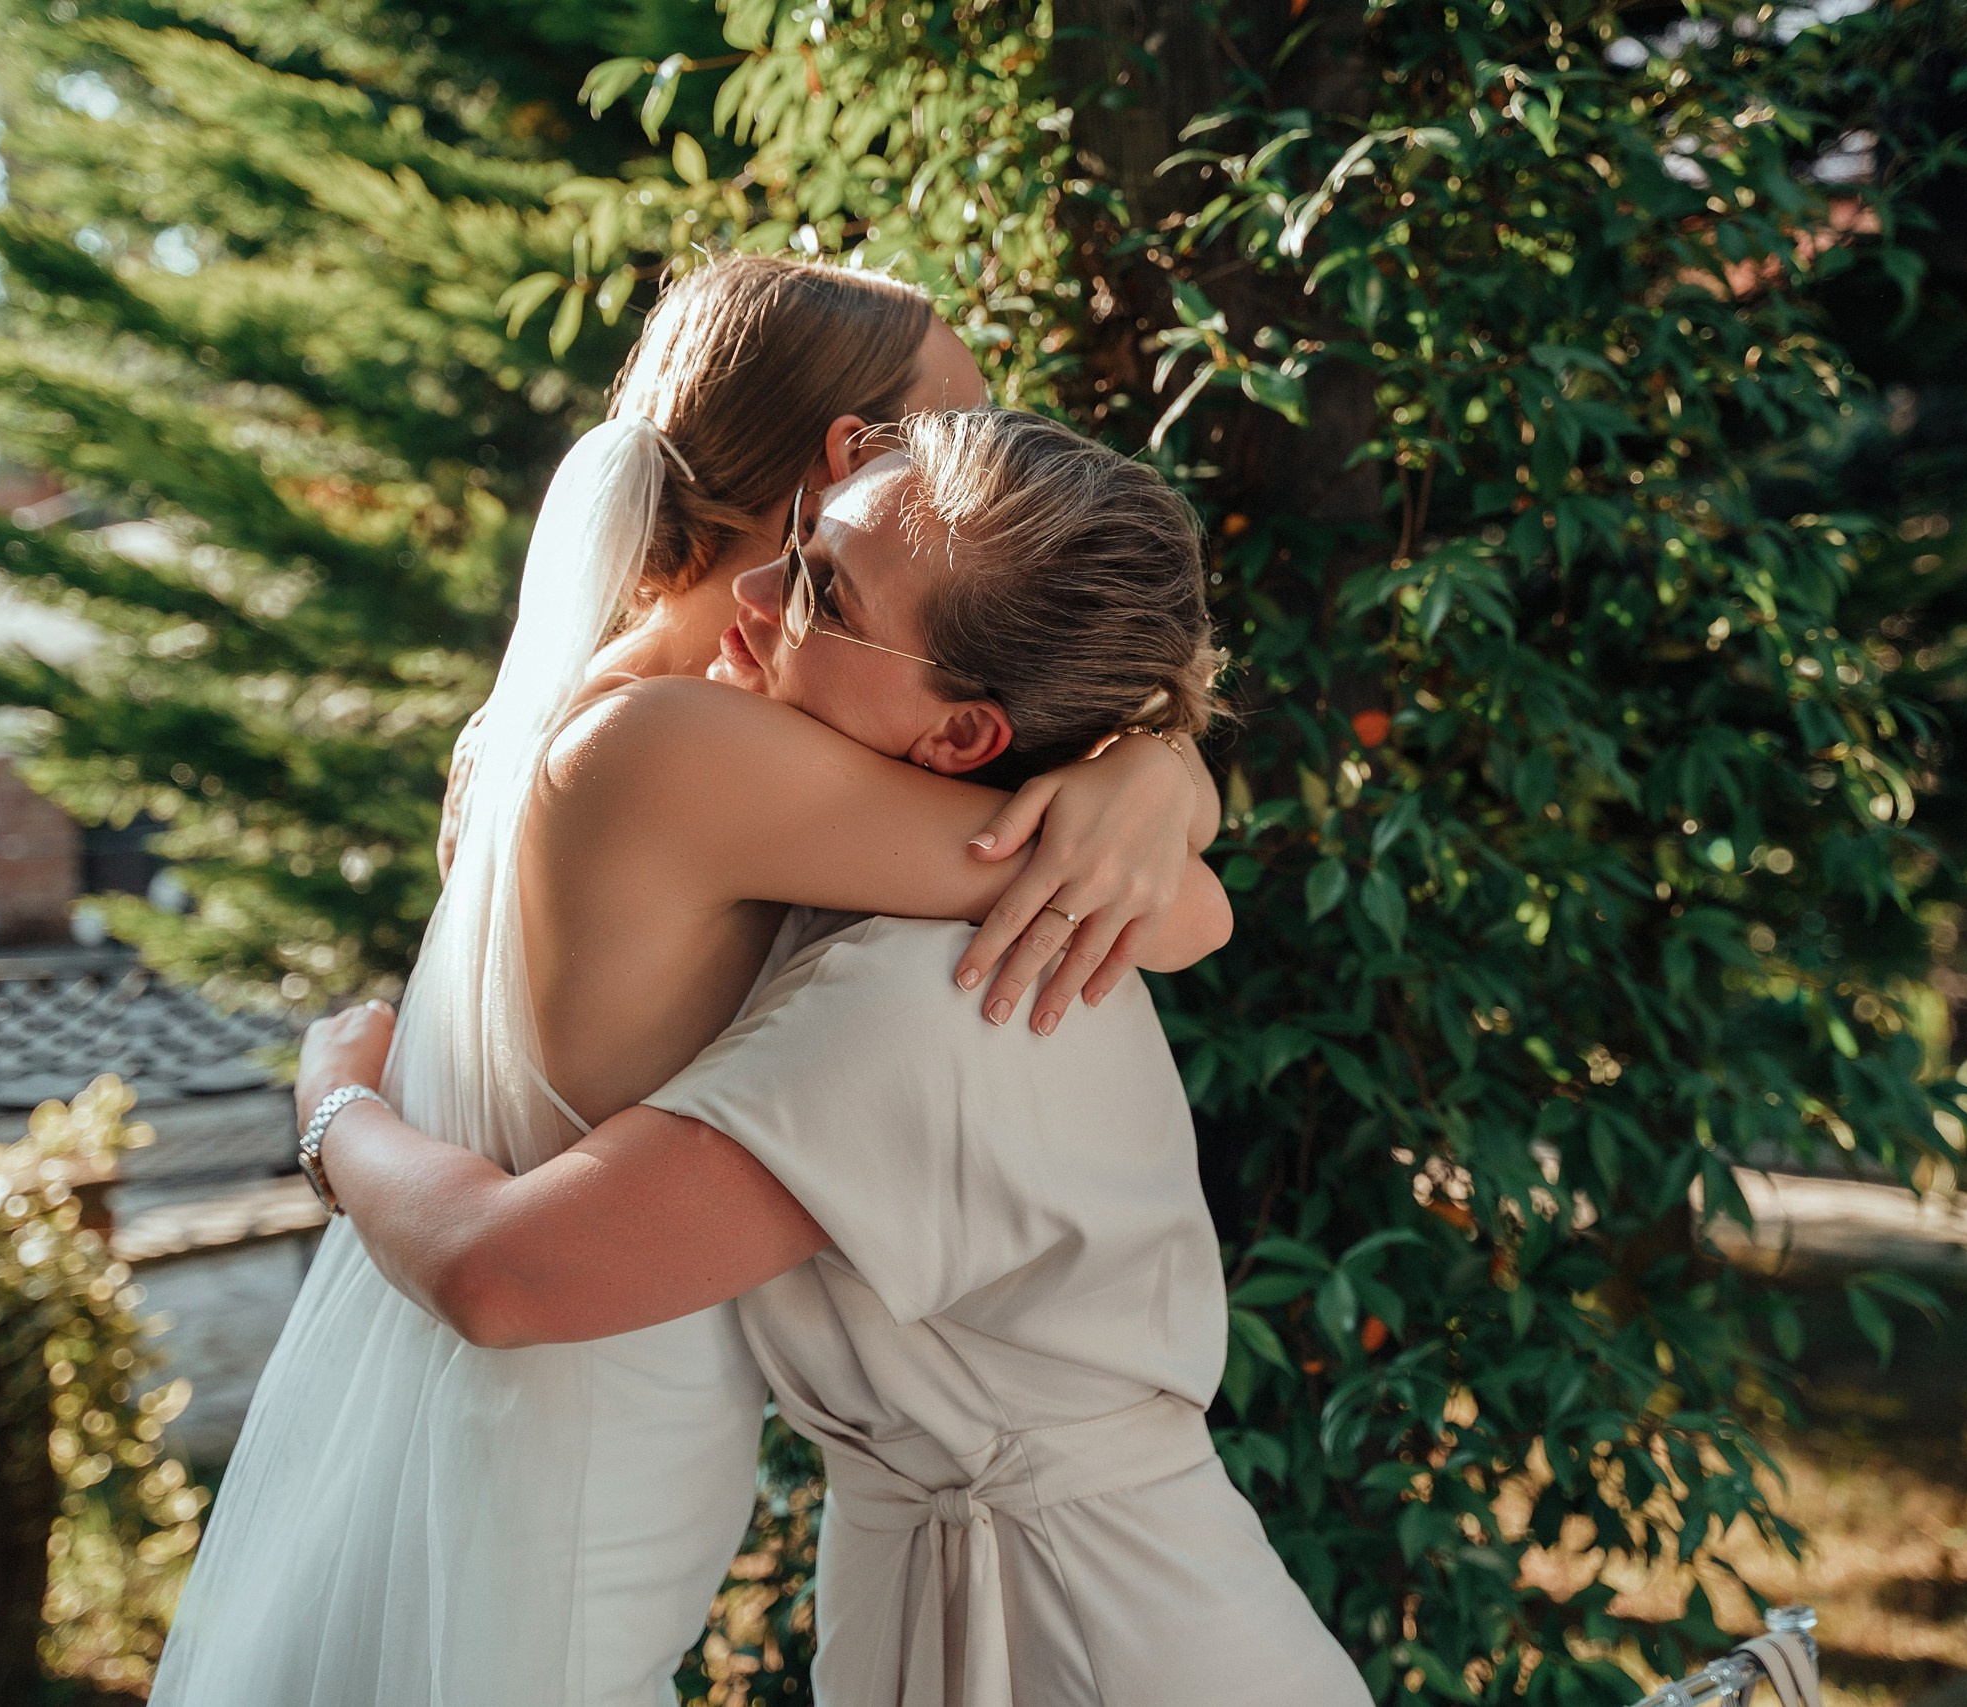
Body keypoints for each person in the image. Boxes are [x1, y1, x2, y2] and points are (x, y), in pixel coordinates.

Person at [148, 263, 1227, 1707]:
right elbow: (1165, 910)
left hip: (505, 1400)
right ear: (855, 453)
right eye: (958, 419)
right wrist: (1158, 776)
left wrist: (1156, 765)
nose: (987, 447)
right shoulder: (690, 753)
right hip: (584, 1407)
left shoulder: (561, 714)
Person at [296, 409, 1371, 1706]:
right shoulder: (885, 902)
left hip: (1093, 1640)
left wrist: (336, 1103)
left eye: (818, 586)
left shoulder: (932, 994)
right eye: (795, 539)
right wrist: (1162, 761)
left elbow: (502, 1274)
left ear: (967, 740)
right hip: (967, 1595)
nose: (756, 590)